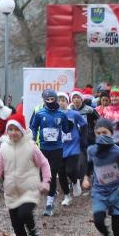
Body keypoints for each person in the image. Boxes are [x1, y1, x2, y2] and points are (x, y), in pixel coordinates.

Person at [0, 113, 51, 236]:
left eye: (16, 129)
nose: (13, 133)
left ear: (22, 130)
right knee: (16, 224)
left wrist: (46, 181)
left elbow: (44, 163)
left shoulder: (31, 147)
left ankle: (32, 229)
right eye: (10, 129)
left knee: (24, 213)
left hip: (30, 189)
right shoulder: (4, 148)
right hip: (11, 191)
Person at [30, 88, 71, 216]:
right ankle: (51, 194)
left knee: (51, 175)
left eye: (52, 99)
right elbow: (33, 126)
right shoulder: (40, 114)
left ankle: (49, 204)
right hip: (43, 148)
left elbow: (65, 129)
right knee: (43, 175)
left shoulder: (61, 115)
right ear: (44, 100)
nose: (50, 101)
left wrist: (70, 126)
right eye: (47, 99)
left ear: (56, 99)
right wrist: (32, 138)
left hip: (57, 149)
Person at [57, 92, 87, 205]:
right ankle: (67, 196)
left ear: (67, 102)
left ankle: (75, 182)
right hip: (59, 147)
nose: (61, 102)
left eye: (63, 100)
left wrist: (83, 138)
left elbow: (84, 125)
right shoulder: (54, 115)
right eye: (59, 100)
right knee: (61, 173)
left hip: (73, 146)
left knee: (70, 170)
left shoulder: (74, 114)